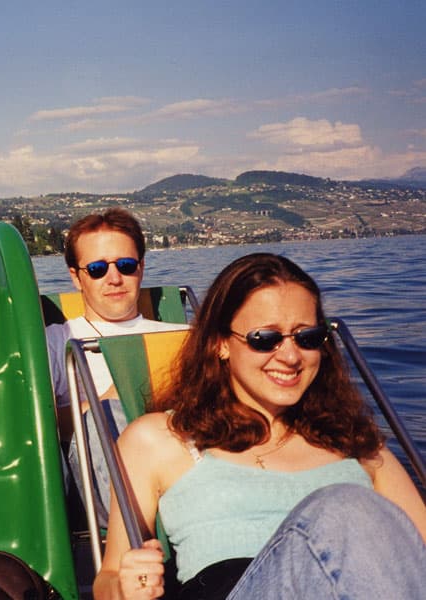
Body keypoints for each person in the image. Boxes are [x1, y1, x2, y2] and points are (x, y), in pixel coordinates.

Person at [94, 253, 426, 600]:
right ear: (220, 343)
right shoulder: (162, 439)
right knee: (345, 507)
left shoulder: (357, 445)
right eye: (265, 338)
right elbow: (109, 577)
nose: (291, 356)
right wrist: (122, 588)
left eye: (307, 337)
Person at [45, 208, 187, 525]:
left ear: (141, 268)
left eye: (125, 265)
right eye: (96, 269)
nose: (114, 278)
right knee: (107, 414)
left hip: (184, 471)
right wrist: (111, 400)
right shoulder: (56, 341)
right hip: (111, 485)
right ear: (76, 276)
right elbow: (34, 420)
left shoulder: (180, 338)